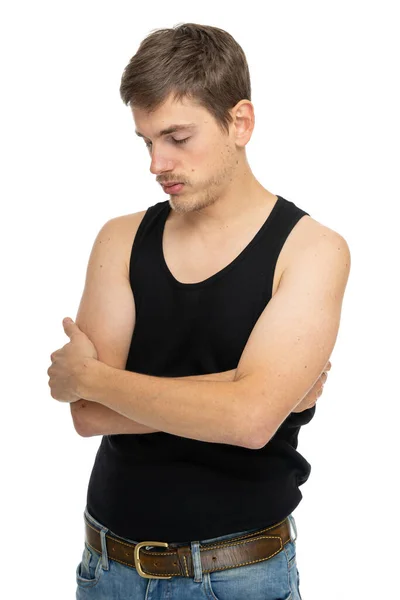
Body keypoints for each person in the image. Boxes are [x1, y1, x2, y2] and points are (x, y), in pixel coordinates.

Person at [47, 22, 350, 600]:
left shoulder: (312, 250)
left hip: (238, 575)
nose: (157, 163)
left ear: (240, 122)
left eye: (177, 138)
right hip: (107, 568)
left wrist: (93, 377)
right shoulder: (119, 239)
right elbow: (87, 414)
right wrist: (246, 391)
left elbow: (249, 421)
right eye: (146, 141)